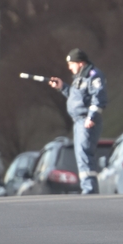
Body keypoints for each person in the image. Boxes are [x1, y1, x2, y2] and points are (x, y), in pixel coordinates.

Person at [48, 48, 108, 195]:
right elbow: (76, 97)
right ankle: (88, 187)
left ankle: (89, 189)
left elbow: (98, 98)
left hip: (86, 120)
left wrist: (91, 118)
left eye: (71, 64)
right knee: (81, 154)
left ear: (80, 63)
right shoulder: (80, 78)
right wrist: (62, 87)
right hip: (79, 121)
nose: (69, 67)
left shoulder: (93, 75)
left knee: (84, 153)